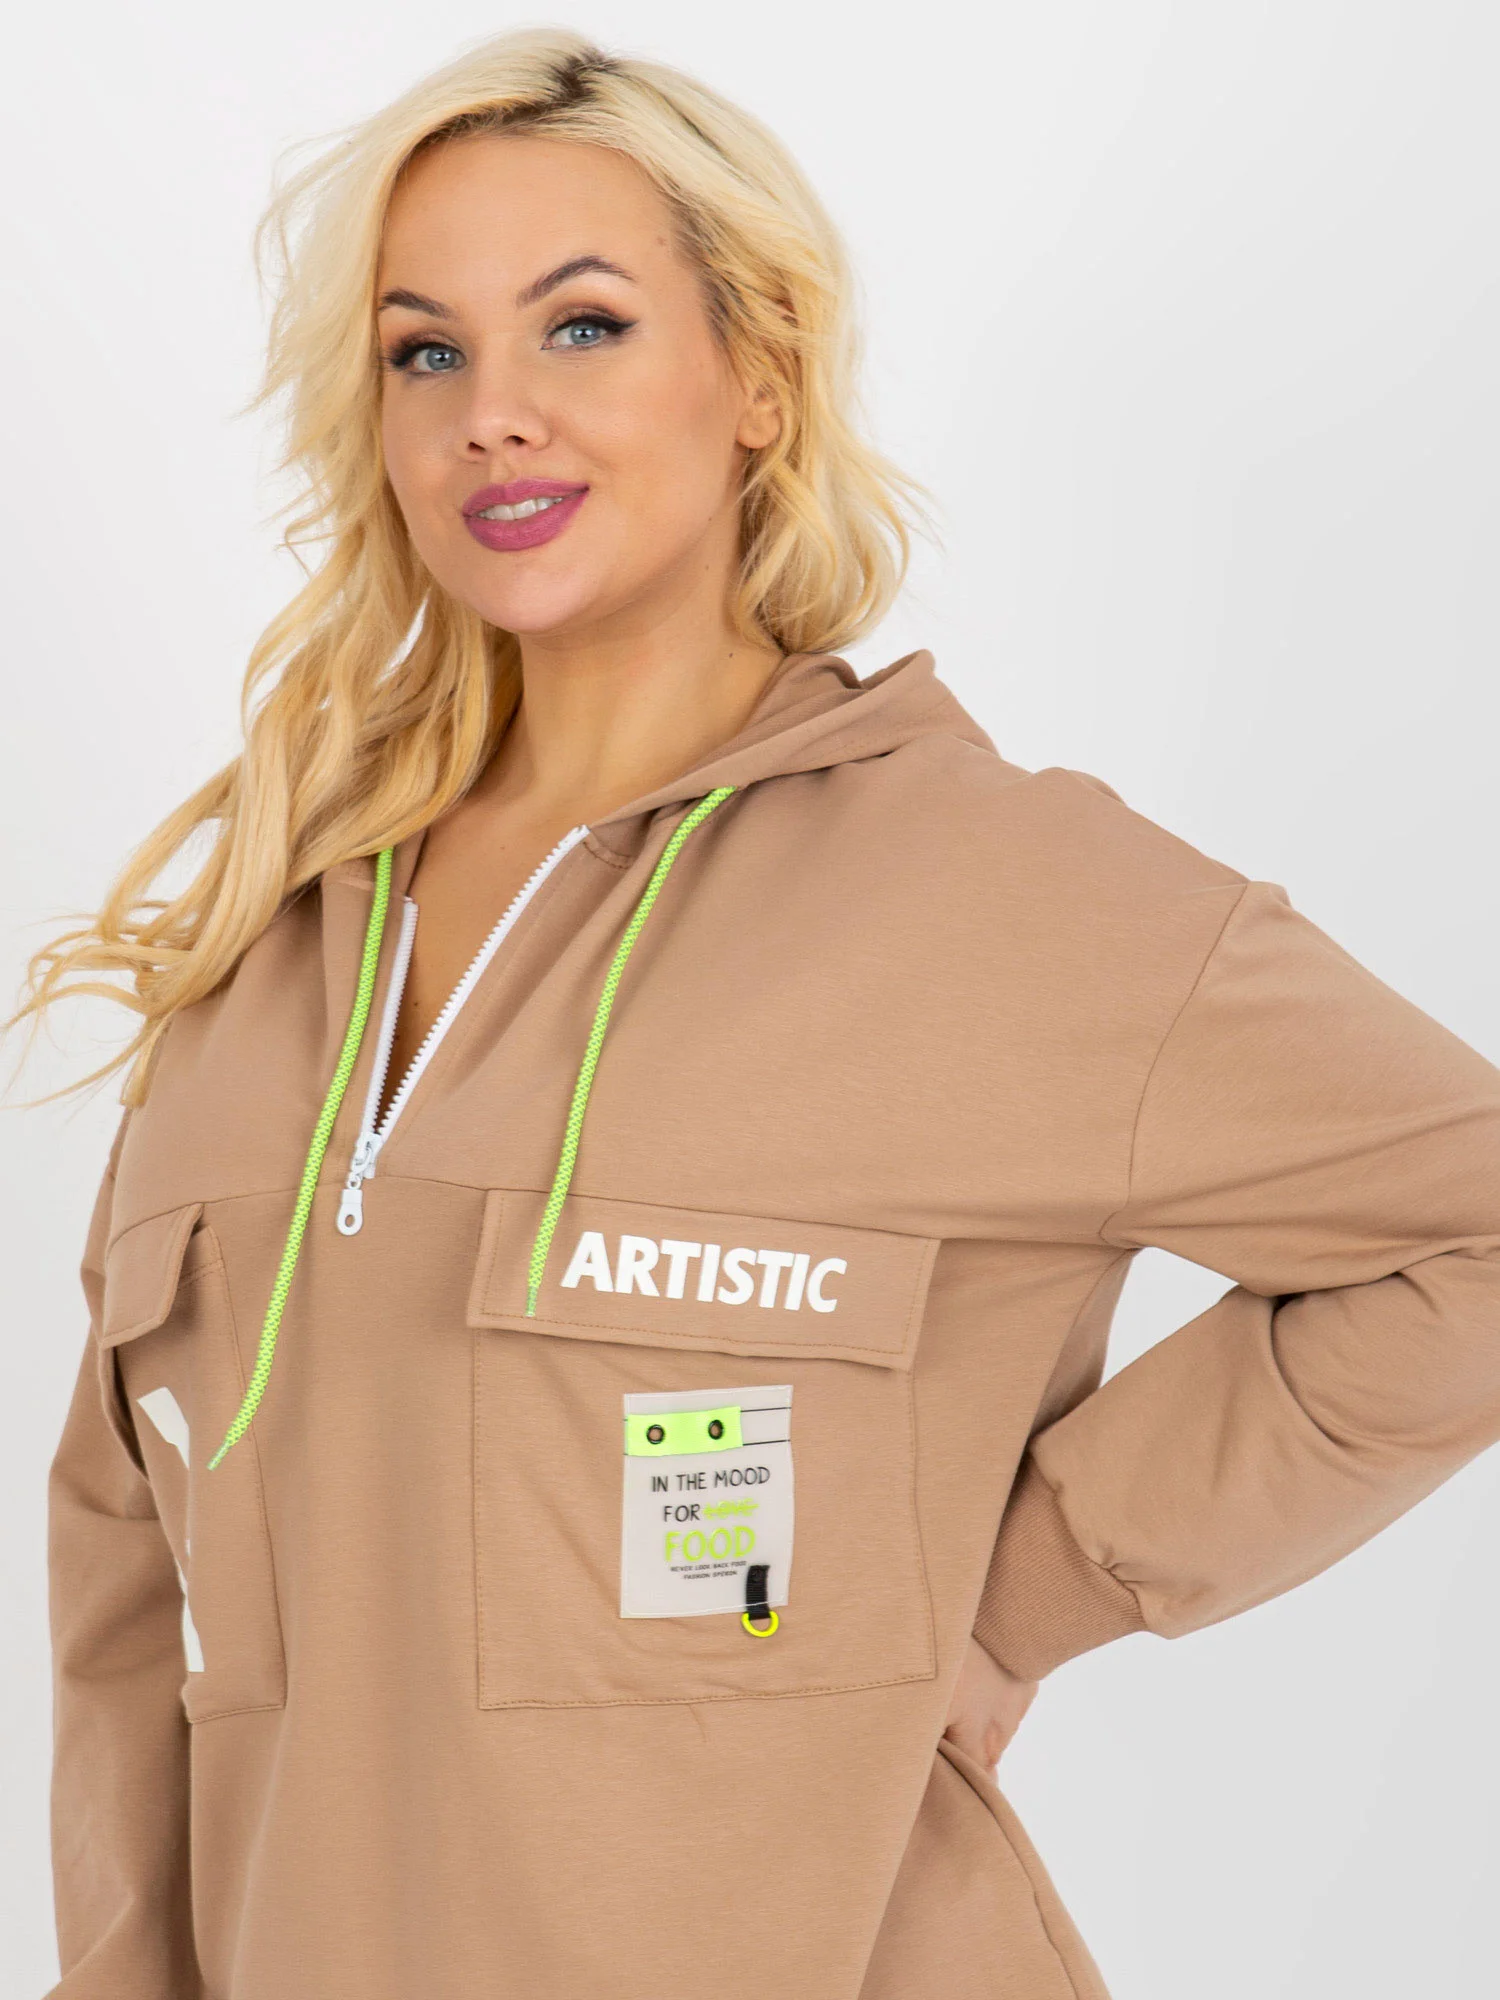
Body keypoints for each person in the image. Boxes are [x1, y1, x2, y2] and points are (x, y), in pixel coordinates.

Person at [14, 26, 1500, 2000]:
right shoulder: (271, 948)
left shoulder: (1003, 895)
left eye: (585, 326)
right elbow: (126, 1595)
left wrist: (1021, 1591)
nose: (493, 416)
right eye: (424, 352)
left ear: (760, 377)